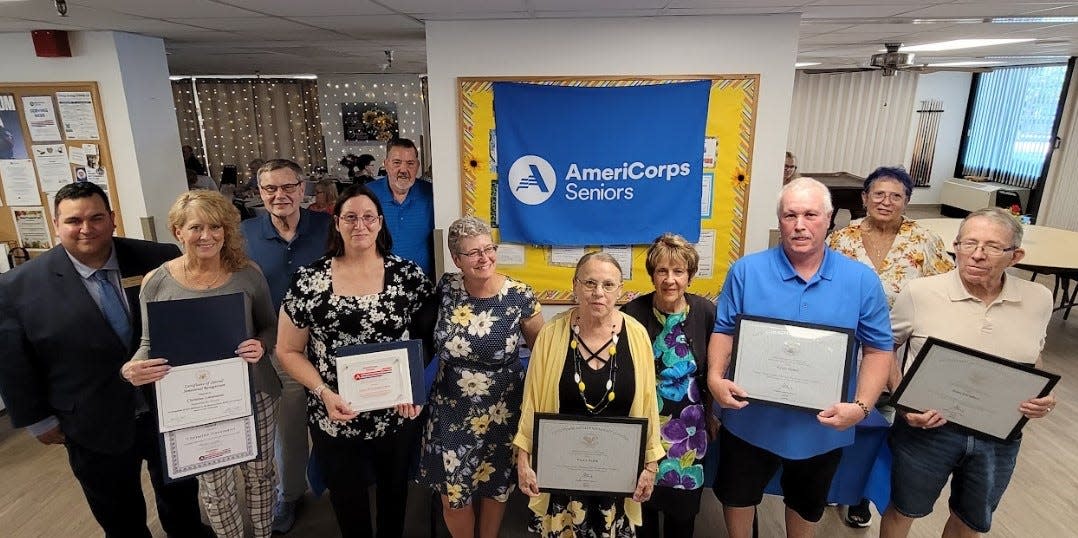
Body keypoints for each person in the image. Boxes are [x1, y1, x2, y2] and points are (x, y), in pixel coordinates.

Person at [0, 182, 213, 538]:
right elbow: (12, 359)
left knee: (180, 494)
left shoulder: (158, 258)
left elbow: (191, 322)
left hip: (167, 408)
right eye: (74, 220)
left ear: (112, 219)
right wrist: (37, 420)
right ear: (56, 224)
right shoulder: (17, 286)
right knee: (117, 510)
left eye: (97, 217)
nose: (86, 228)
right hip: (89, 418)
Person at [708, 177, 894, 538]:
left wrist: (863, 406)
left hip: (821, 427)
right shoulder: (747, 270)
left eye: (810, 214)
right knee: (737, 495)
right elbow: (724, 329)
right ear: (779, 220)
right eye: (790, 215)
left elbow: (878, 348)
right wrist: (715, 376)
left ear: (828, 219)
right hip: (750, 420)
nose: (800, 224)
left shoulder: (861, 281)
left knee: (807, 503)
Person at [880, 207, 1056, 538]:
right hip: (928, 428)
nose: (976, 255)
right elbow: (884, 346)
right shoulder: (921, 293)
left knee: (970, 519)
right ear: (955, 246)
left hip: (998, 434)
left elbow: (1033, 355)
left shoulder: (1039, 299)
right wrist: (902, 402)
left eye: (991, 246)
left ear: (1015, 256)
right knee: (904, 509)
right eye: (968, 243)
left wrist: (1042, 395)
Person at [276, 184, 435, 538]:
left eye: (368, 217)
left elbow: (430, 340)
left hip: (395, 413)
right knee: (349, 507)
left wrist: (415, 387)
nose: (359, 225)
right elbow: (287, 350)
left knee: (394, 499)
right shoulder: (310, 280)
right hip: (336, 414)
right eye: (350, 217)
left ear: (380, 223)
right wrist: (322, 392)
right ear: (336, 223)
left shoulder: (407, 276)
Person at [121, 190, 281, 538]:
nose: (206, 236)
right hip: (195, 404)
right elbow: (148, 343)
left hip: (254, 393)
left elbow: (270, 326)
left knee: (261, 474)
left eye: (215, 226)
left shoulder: (248, 274)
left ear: (226, 230)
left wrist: (262, 345)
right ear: (178, 232)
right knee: (214, 485)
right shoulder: (157, 282)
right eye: (195, 227)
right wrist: (131, 368)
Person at [827, 166, 954, 527]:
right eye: (878, 194)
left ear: (907, 201)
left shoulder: (924, 240)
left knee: (885, 427)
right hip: (845, 348)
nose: (886, 201)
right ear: (864, 198)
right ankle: (832, 483)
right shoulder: (841, 239)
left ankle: (863, 496)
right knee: (844, 418)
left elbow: (942, 292)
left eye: (895, 196)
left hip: (900, 349)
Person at [514, 252, 663, 537]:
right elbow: (531, 402)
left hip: (618, 477)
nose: (598, 293)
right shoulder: (551, 334)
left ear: (620, 290)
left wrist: (651, 465)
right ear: (575, 285)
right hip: (561, 476)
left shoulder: (637, 335)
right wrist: (524, 459)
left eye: (608, 285)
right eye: (590, 283)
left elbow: (648, 407)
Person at [416, 216, 545, 538]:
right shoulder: (446, 287)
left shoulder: (520, 295)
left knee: (494, 486)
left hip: (502, 408)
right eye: (473, 253)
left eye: (489, 249)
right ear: (457, 259)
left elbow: (543, 354)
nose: (484, 258)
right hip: (450, 407)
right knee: (453, 496)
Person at [240, 158, 332, 534]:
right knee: (290, 426)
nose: (280, 196)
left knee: (338, 417)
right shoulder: (244, 234)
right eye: (270, 189)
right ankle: (289, 495)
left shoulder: (327, 226)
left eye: (289, 187)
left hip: (330, 343)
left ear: (303, 188)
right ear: (261, 194)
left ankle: (343, 483)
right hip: (279, 347)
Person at [620, 233, 716, 538]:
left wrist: (715, 415)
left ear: (690, 275)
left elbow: (716, 369)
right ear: (652, 275)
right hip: (644, 425)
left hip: (689, 429)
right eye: (662, 271)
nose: (670, 279)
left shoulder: (705, 312)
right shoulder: (631, 314)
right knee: (642, 507)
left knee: (682, 512)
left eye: (678, 271)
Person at [367, 138, 435, 277]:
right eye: (397, 163)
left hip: (422, 281)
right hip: (378, 280)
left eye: (410, 163)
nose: (403, 170)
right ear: (386, 164)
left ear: (417, 166)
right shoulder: (366, 195)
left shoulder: (431, 194)